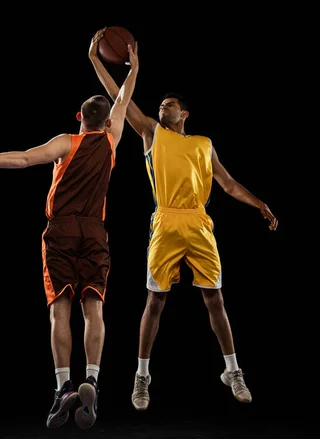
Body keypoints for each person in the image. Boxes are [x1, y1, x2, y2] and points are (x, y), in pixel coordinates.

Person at [0, 29, 139, 430]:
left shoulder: (67, 142)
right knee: (94, 308)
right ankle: (93, 381)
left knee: (60, 311)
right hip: (95, 233)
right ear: (107, 121)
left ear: (79, 117)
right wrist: (133, 68)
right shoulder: (113, 140)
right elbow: (122, 99)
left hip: (61, 233)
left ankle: (64, 387)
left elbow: (23, 159)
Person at [89, 42, 278, 411]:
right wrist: (97, 59)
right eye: (161, 105)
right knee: (155, 301)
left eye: (169, 105)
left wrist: (259, 203)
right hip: (166, 220)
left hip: (199, 222)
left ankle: (233, 371)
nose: (163, 108)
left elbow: (226, 183)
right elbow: (120, 97)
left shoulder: (204, 144)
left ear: (184, 113)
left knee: (215, 299)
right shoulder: (150, 133)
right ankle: (141, 377)